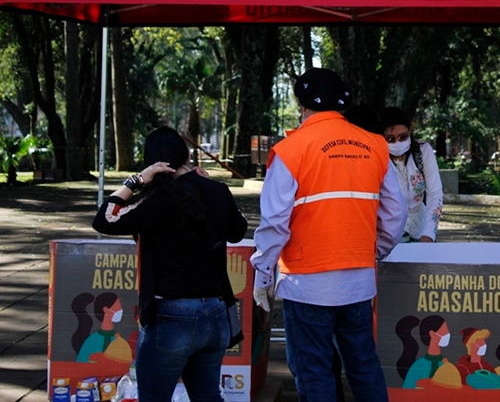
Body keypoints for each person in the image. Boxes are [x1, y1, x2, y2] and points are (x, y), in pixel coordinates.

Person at [249, 68, 406, 402]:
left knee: (313, 371)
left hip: (306, 285)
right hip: (359, 280)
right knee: (363, 364)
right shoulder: (376, 146)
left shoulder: (292, 150)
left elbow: (275, 221)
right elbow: (396, 211)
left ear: (303, 106)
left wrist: (262, 273)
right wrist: (376, 250)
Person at [92, 126, 247, 402]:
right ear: (188, 154)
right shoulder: (217, 191)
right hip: (216, 312)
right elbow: (238, 230)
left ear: (153, 164)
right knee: (208, 396)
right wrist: (210, 186)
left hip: (173, 316)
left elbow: (105, 218)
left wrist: (135, 181)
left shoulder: (159, 201)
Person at [379, 106, 443, 242]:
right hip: (387, 235)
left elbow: (435, 194)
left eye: (403, 137)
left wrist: (429, 235)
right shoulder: (377, 157)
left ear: (410, 130)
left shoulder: (422, 151)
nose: (397, 142)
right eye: (390, 139)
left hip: (421, 228)